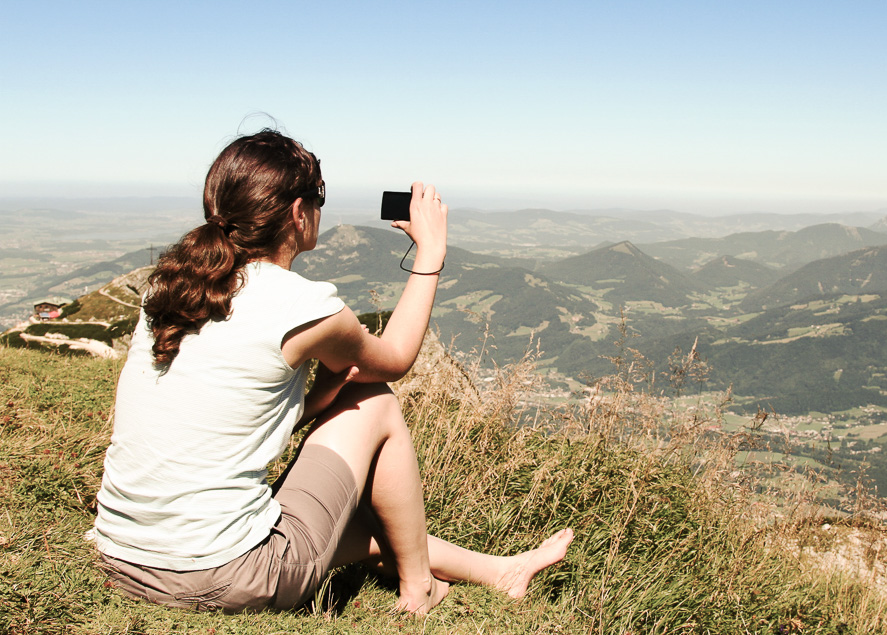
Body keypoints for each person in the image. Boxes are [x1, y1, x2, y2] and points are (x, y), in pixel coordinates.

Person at [93, 129, 573, 614]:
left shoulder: (168, 290)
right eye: (320, 198)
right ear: (299, 213)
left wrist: (308, 405)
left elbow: (209, 419)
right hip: (225, 578)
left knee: (355, 531)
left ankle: (500, 571)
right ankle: (418, 588)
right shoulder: (301, 305)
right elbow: (396, 358)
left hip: (119, 558)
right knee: (376, 399)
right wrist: (430, 255)